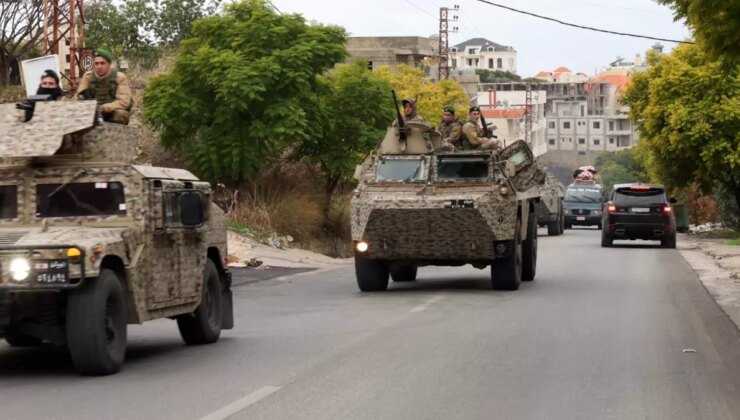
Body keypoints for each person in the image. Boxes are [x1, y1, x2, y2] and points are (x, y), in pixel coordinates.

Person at [76, 49, 132, 125]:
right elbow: (78, 97)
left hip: (113, 111)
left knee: (120, 114)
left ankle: (116, 136)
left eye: (102, 63)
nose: (99, 66)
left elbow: (123, 102)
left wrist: (102, 108)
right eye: (96, 63)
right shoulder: (88, 77)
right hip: (93, 112)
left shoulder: (119, 77)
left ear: (109, 64)